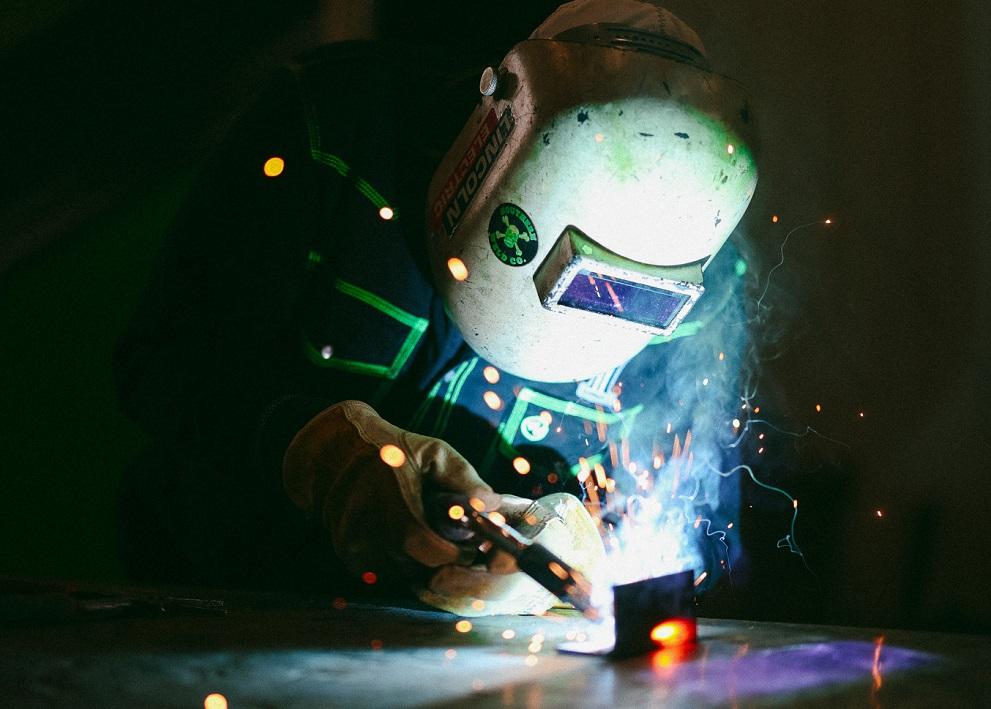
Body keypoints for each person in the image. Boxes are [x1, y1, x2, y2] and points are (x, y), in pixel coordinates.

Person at [115, 0, 757, 614]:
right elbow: (164, 359)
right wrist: (320, 452)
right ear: (497, 152)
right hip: (225, 599)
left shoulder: (708, 287)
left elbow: (696, 535)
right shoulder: (336, 121)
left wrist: (587, 546)